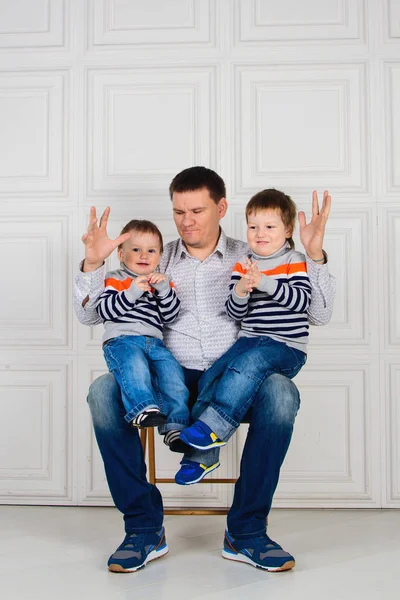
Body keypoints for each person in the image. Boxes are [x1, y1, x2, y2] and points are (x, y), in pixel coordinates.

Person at [74, 166, 335, 574]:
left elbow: (318, 313)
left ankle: (246, 532)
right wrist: (92, 264)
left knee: (282, 394)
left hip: (235, 382)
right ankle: (143, 528)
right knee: (103, 393)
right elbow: (90, 318)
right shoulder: (152, 254)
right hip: (168, 382)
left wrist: (315, 256)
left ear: (222, 208)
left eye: (197, 210)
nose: (187, 221)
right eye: (179, 211)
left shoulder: (254, 252)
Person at [180, 189, 311, 454]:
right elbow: (234, 313)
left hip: (285, 346)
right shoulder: (244, 264)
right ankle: (201, 456)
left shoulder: (292, 260)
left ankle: (217, 426)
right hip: (248, 340)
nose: (260, 233)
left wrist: (265, 282)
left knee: (250, 363)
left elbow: (302, 302)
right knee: (214, 375)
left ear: (287, 231)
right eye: (253, 227)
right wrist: (241, 291)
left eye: (269, 227)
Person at [96, 219, 190, 449]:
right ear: (120, 253)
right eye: (135, 249)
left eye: (151, 251)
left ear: (159, 256)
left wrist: (164, 290)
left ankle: (175, 427)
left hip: (155, 343)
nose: (143, 255)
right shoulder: (115, 278)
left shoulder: (162, 282)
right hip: (123, 341)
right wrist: (132, 292)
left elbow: (171, 316)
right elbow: (104, 310)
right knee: (134, 366)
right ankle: (142, 409)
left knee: (173, 374)